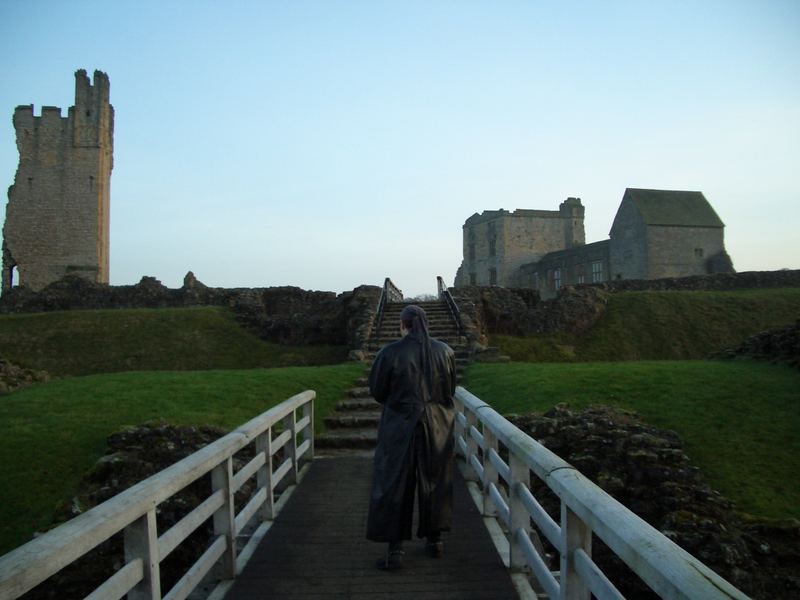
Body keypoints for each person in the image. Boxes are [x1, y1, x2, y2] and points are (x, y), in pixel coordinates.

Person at [366, 304, 457, 571]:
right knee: (435, 481)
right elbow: (450, 388)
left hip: (400, 426)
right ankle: (435, 541)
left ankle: (395, 551)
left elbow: (378, 390)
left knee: (395, 484)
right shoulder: (445, 352)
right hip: (437, 425)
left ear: (403, 325)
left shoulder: (390, 353)